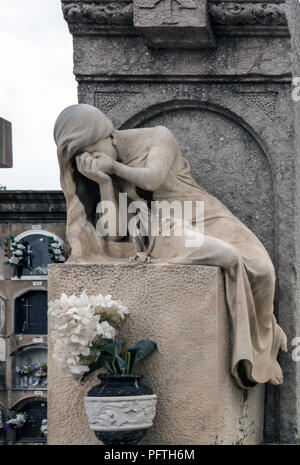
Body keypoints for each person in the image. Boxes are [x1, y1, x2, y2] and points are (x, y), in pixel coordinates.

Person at [54, 103, 287, 389]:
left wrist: (113, 167)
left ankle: (267, 333)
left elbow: (154, 177)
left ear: (107, 134)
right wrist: (103, 182)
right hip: (162, 225)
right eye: (82, 157)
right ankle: (256, 360)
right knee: (227, 256)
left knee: (263, 271)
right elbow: (114, 232)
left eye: (92, 150)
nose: (91, 160)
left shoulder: (157, 136)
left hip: (200, 210)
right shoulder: (100, 170)